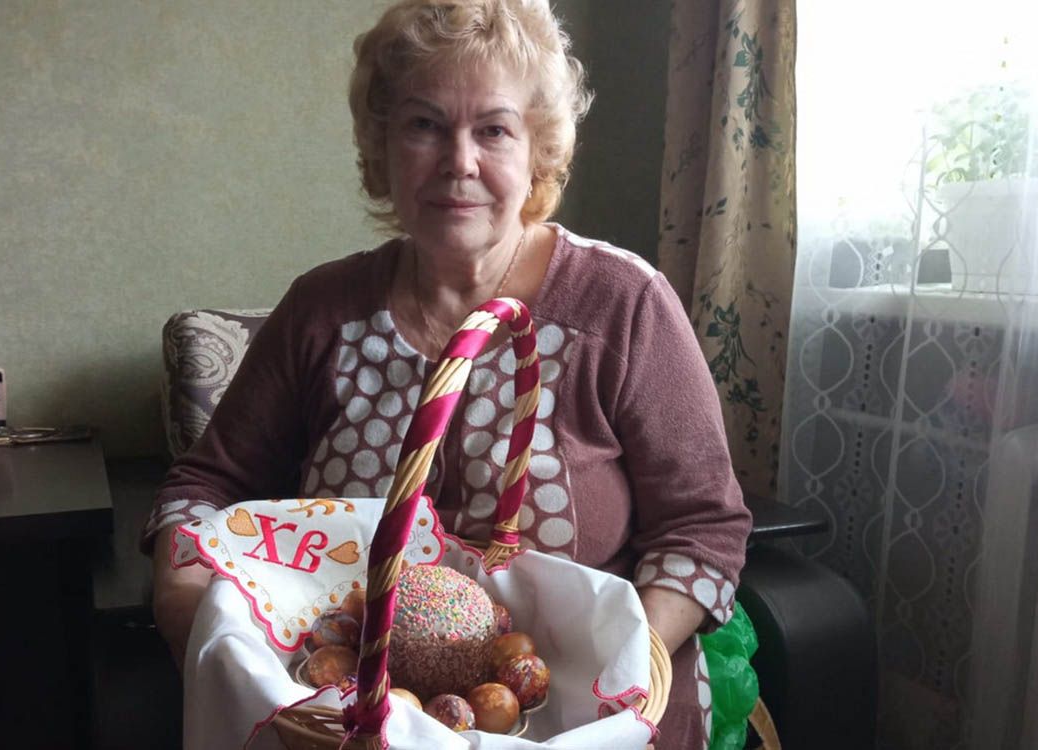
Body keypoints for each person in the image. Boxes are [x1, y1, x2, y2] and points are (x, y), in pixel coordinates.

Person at [142, 1, 751, 747]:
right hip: (349, 719)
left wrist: (621, 670)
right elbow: (203, 488)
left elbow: (703, 530)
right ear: (382, 146)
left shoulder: (622, 304)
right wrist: (185, 603)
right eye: (425, 125)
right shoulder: (321, 312)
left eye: (493, 129)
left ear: (538, 150)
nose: (459, 161)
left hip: (582, 719)